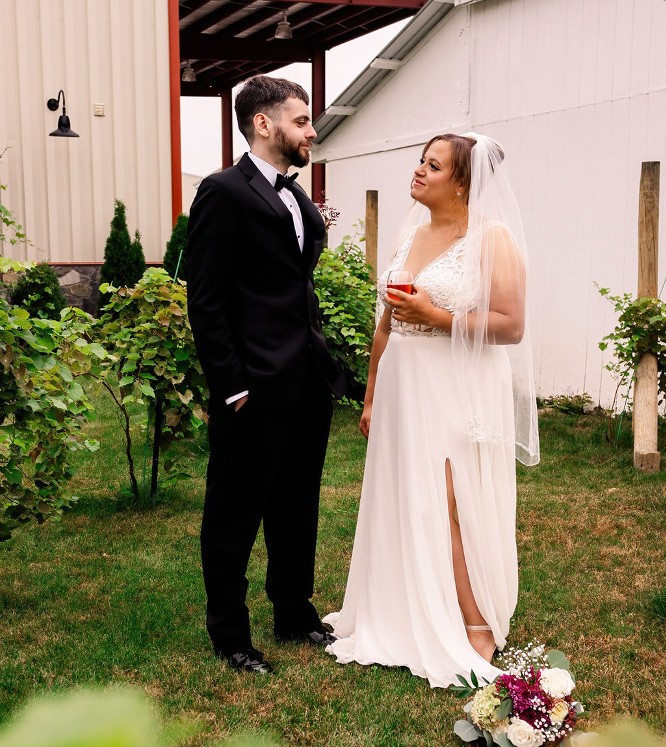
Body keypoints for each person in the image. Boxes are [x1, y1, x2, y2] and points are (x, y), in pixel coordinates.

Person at [324, 132, 539, 688]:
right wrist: (370, 394)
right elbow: (386, 322)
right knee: (404, 492)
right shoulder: (411, 234)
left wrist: (436, 315)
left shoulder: (492, 240)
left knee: (452, 496)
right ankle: (398, 605)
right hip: (402, 380)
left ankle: (476, 623)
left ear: (463, 183)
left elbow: (511, 327)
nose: (418, 171)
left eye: (434, 165)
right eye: (420, 161)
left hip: (455, 381)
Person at [187, 75, 346, 674]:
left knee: (296, 504)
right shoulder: (224, 192)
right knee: (234, 512)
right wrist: (233, 386)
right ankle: (230, 634)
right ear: (264, 123)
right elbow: (205, 300)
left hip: (306, 383)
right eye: (302, 121)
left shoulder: (296, 197)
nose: (311, 130)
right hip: (250, 389)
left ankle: (294, 612)